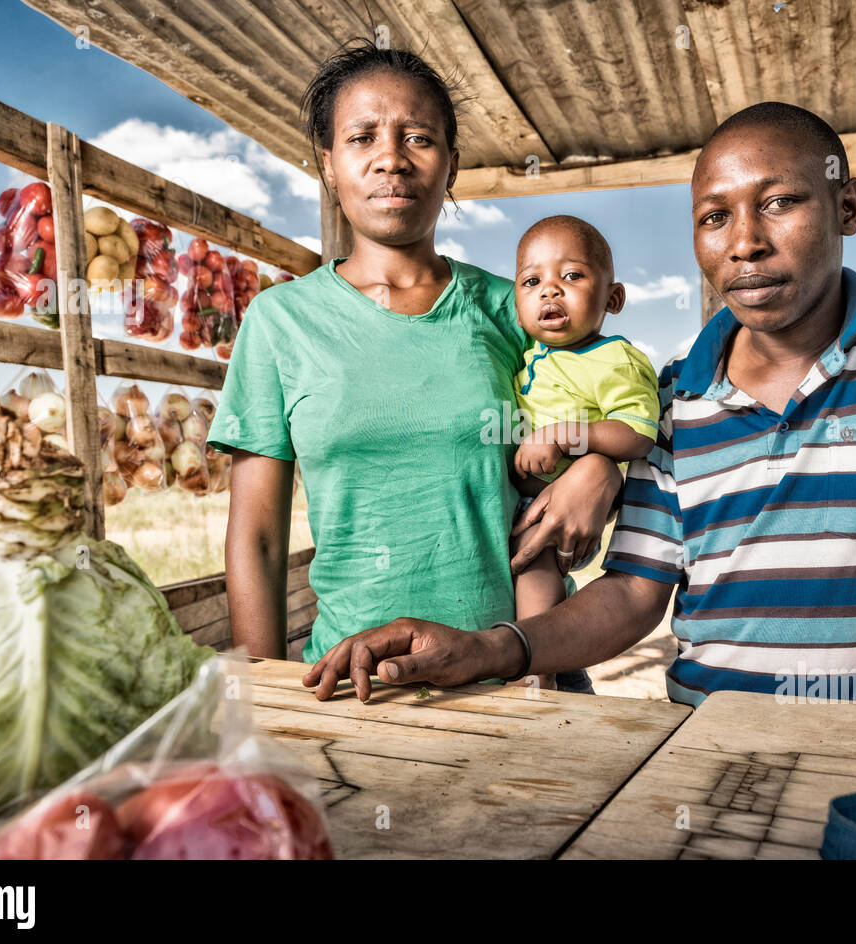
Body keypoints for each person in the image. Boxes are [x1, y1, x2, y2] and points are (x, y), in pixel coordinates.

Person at [303, 101, 856, 709]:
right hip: (707, 760)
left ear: (848, 205)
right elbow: (636, 592)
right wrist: (494, 647)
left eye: (781, 202)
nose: (746, 241)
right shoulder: (679, 395)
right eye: (714, 217)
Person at [207, 42, 623, 684]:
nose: (390, 158)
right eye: (362, 137)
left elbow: (610, 405)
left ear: (451, 165)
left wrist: (600, 468)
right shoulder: (279, 323)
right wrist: (259, 698)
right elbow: (258, 536)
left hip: (517, 674)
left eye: (419, 138)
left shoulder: (510, 308)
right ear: (328, 164)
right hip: (349, 685)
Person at [508, 215, 660, 689]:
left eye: (571, 276)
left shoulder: (615, 358)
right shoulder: (530, 352)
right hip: (520, 493)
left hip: (559, 500)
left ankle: (538, 668)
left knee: (535, 562)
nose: (550, 292)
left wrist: (563, 436)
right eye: (532, 282)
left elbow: (637, 432)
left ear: (612, 299)